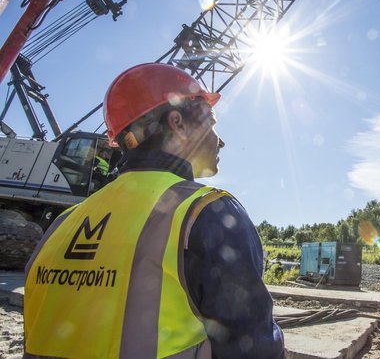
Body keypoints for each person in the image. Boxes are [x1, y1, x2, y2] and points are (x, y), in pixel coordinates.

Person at [23, 63, 285, 359]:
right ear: (177, 123)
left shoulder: (62, 224)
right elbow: (253, 348)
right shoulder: (206, 212)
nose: (220, 139)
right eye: (211, 123)